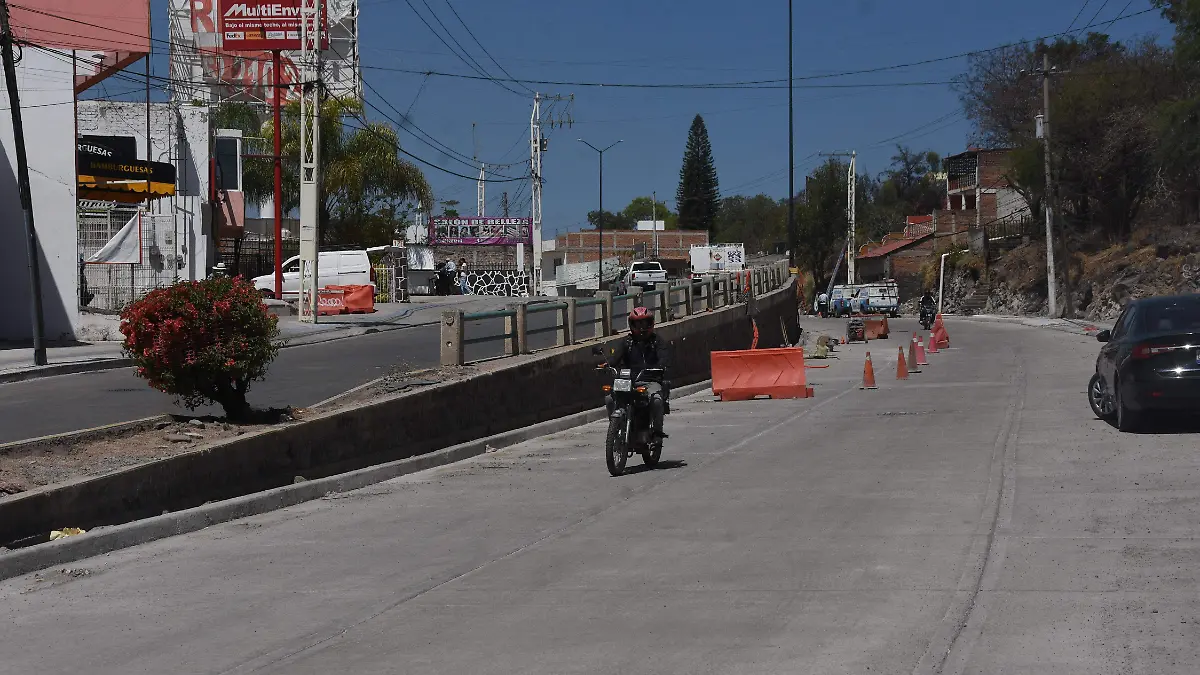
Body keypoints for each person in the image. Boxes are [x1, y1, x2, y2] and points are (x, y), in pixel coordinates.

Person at [605, 306, 671, 440]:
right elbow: (615, 358)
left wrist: (661, 366)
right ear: (632, 324)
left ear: (650, 323)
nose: (642, 327)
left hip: (650, 380)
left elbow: (664, 357)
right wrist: (607, 364)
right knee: (609, 398)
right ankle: (616, 426)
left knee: (657, 400)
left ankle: (657, 432)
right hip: (629, 380)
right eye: (638, 323)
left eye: (645, 323)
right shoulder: (627, 342)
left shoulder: (657, 341)